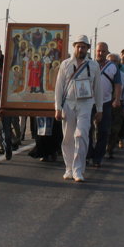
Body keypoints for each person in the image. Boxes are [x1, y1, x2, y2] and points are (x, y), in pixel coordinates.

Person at [54, 34, 100, 182]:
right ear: (74, 47)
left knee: (81, 135)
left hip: (85, 104)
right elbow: (58, 87)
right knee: (68, 137)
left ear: (88, 48)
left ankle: (78, 169)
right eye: (78, 46)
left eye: (84, 46)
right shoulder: (65, 64)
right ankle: (68, 168)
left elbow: (98, 88)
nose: (80, 49)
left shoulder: (93, 66)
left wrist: (100, 109)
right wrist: (57, 107)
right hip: (68, 103)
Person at [87, 41, 123, 168]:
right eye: (98, 51)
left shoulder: (113, 67)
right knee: (87, 130)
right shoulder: (89, 65)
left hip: (106, 103)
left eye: (103, 51)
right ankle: (88, 154)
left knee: (103, 131)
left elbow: (118, 85)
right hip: (89, 103)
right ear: (95, 51)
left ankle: (98, 157)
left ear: (107, 52)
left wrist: (117, 99)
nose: (100, 53)